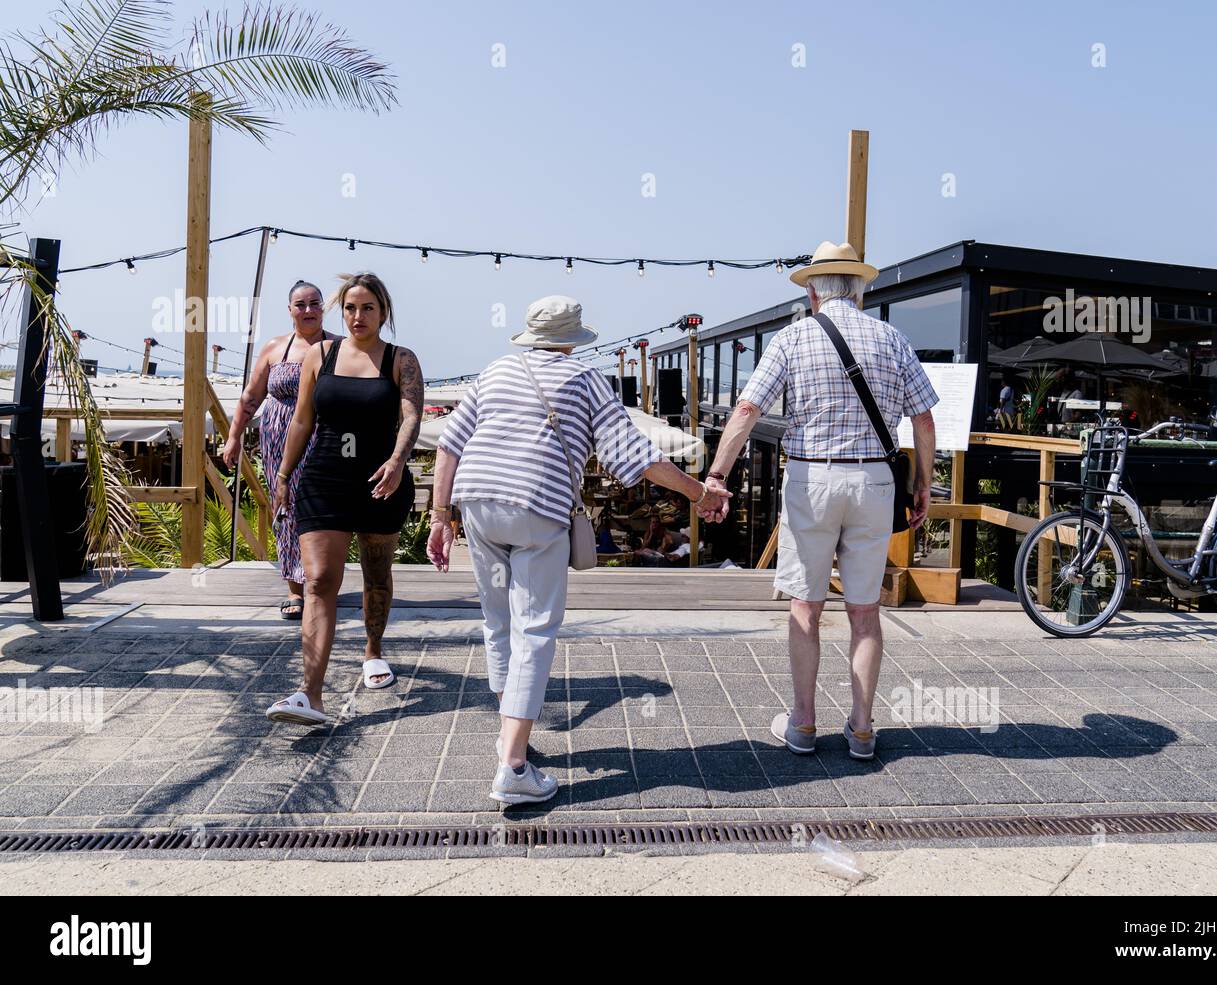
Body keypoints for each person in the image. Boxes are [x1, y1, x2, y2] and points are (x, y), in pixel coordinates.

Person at [425, 295, 729, 807]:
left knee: (498, 621)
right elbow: (637, 456)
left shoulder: (495, 371)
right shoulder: (585, 380)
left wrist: (439, 517)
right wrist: (699, 494)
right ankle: (514, 766)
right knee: (536, 626)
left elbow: (449, 445)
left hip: (477, 503)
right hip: (536, 506)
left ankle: (509, 738)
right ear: (572, 339)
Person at [701, 241, 938, 762]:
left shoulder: (793, 339)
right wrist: (923, 482)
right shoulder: (891, 338)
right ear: (858, 289)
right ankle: (861, 728)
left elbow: (746, 409)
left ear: (813, 291)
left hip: (812, 481)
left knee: (806, 606)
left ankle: (804, 723)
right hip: (875, 482)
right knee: (865, 611)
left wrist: (716, 475)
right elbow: (923, 419)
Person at [265, 273, 423, 726]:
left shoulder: (400, 359)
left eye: (368, 308)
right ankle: (309, 694)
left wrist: (396, 461)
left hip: (380, 480)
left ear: (383, 312)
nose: (358, 316)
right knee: (318, 583)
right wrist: (282, 473)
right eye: (351, 308)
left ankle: (373, 651)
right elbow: (300, 421)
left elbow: (411, 415)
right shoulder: (320, 355)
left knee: (376, 575)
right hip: (324, 478)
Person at [220, 281, 340, 618]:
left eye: (315, 303)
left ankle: (320, 581)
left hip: (322, 436)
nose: (308, 310)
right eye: (300, 304)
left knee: (320, 508)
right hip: (277, 438)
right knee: (284, 507)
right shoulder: (275, 348)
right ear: (290, 310)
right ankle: (295, 589)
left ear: (323, 308)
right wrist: (233, 436)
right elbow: (251, 397)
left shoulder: (340, 347)